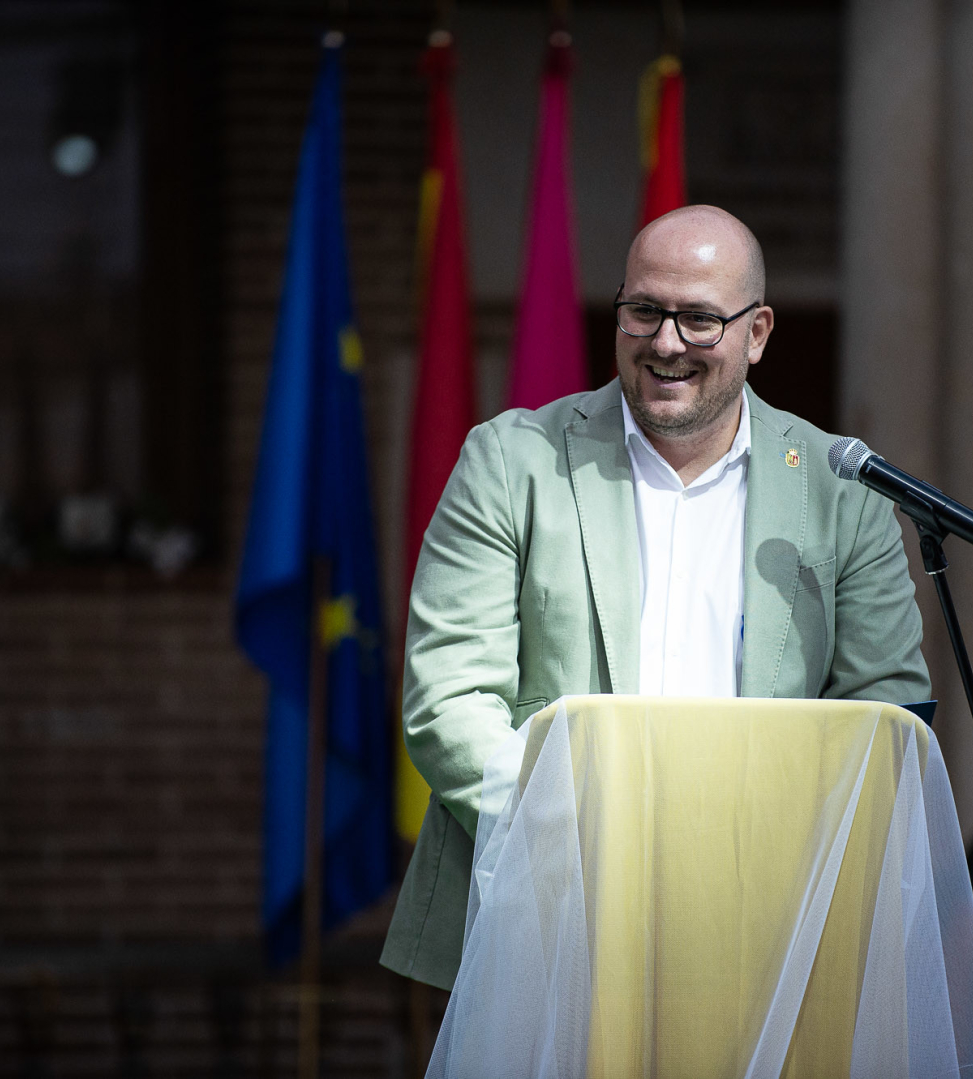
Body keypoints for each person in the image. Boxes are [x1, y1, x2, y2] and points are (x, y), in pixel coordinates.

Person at [380, 204, 931, 991]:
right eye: (643, 310)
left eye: (700, 319)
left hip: (767, 930)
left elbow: (886, 714)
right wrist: (576, 845)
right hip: (547, 919)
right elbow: (449, 698)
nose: (666, 342)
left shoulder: (843, 490)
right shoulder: (510, 462)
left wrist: (767, 860)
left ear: (758, 332)